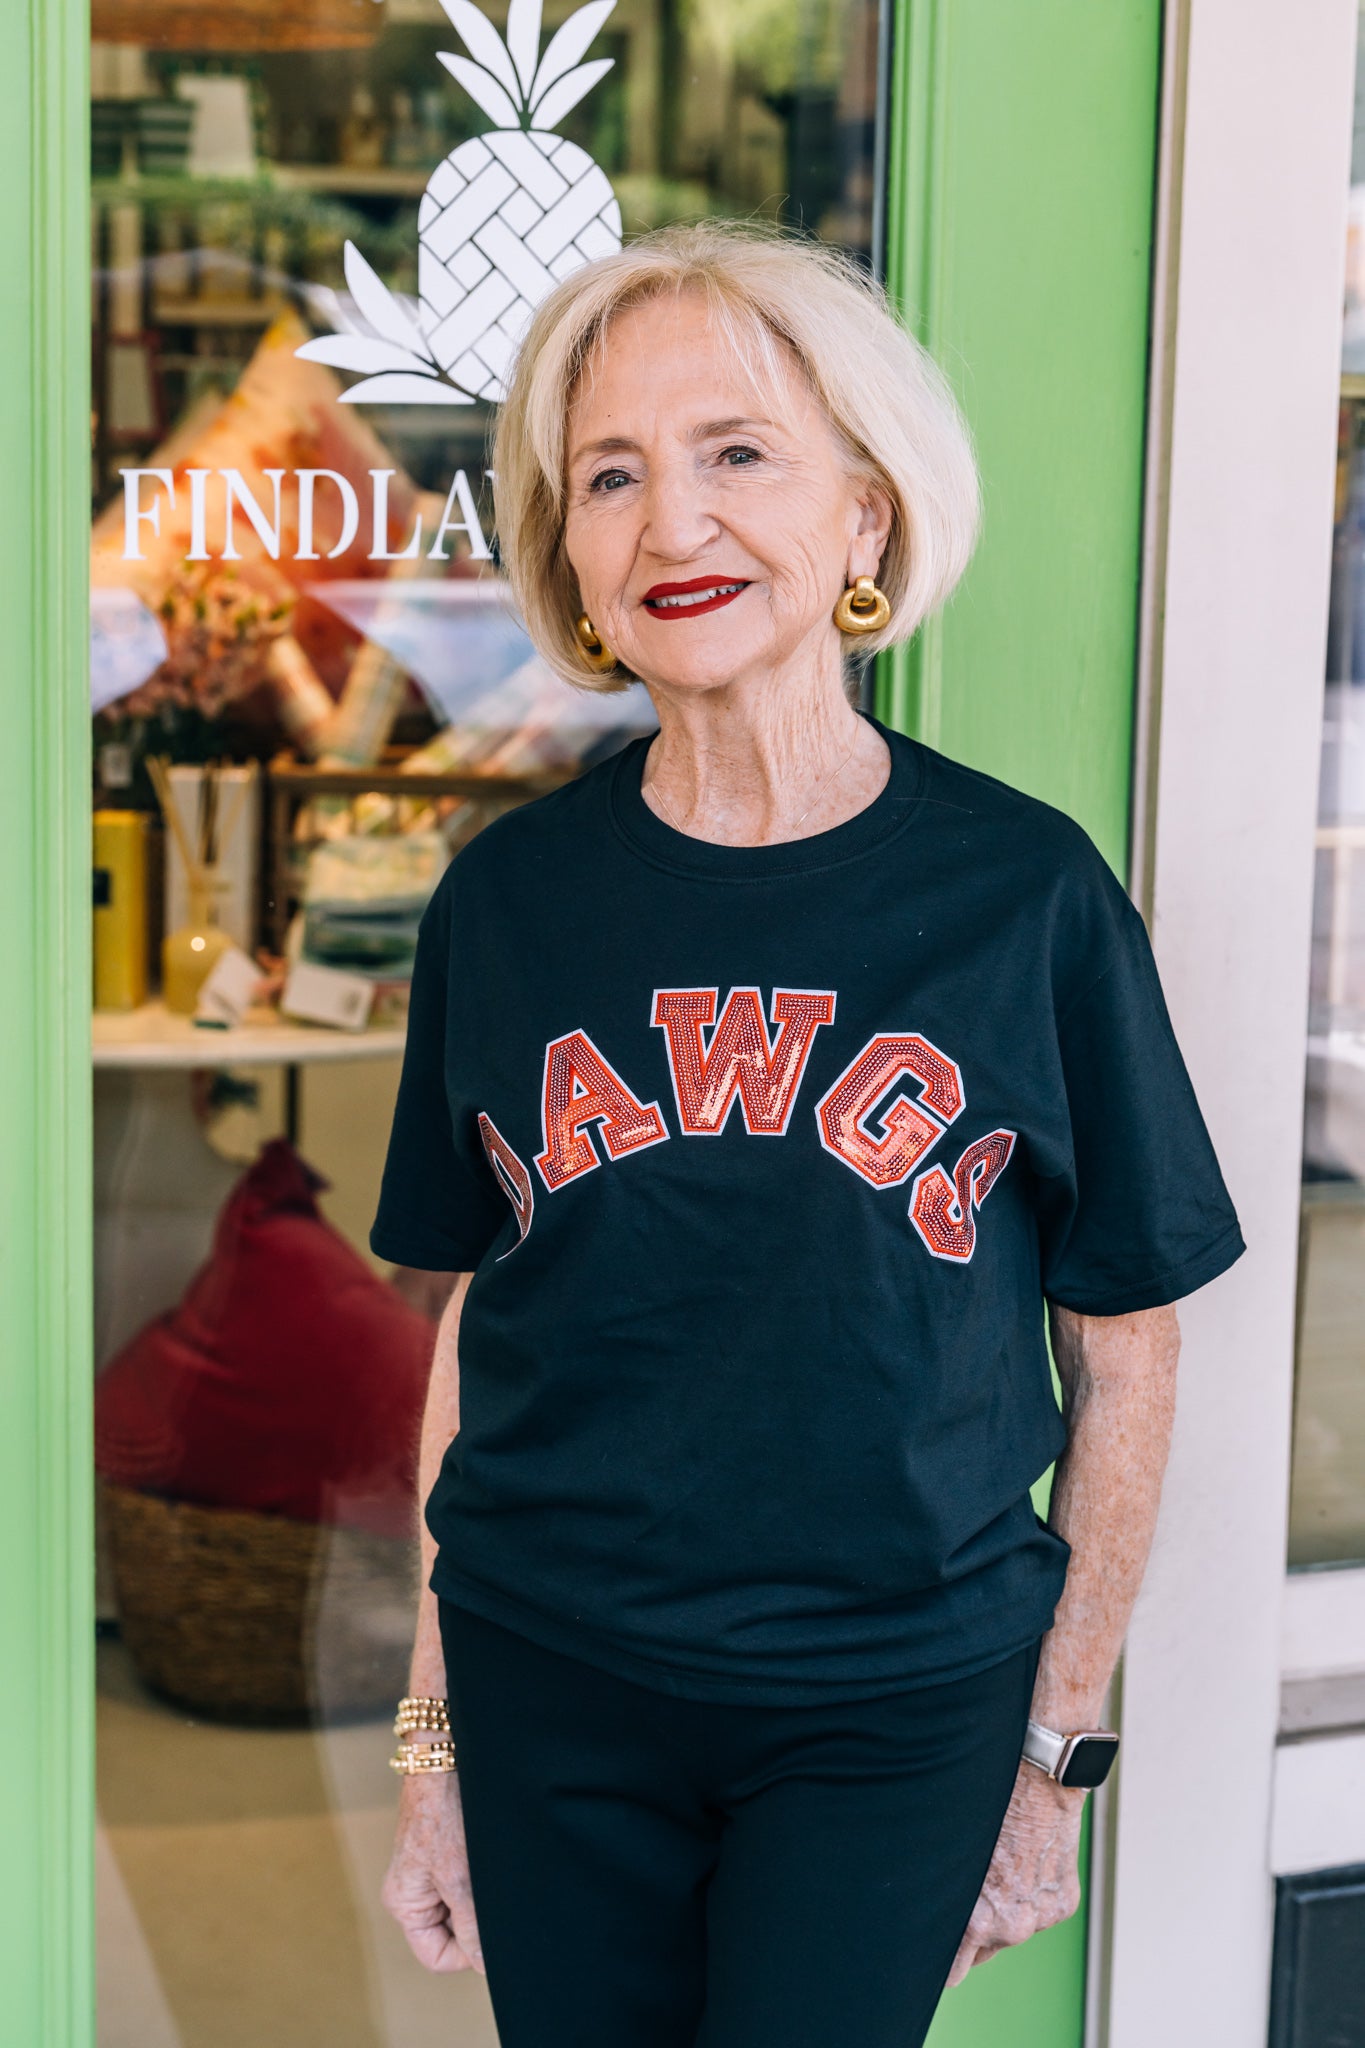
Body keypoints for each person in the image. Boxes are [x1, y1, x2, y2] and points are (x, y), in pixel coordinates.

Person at [371, 222, 1244, 2048]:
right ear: (576, 568)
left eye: (735, 452)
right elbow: (480, 1321)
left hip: (892, 1709)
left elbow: (1127, 1342)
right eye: (610, 475)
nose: (670, 519)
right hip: (554, 1680)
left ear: (863, 515)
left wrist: (1054, 1753)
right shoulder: (508, 904)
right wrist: (431, 1736)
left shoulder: (1025, 898)